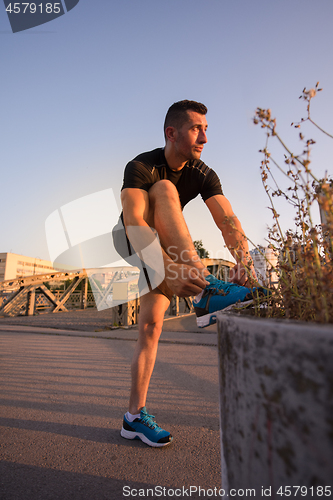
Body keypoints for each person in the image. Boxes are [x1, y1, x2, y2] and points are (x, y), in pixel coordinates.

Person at [113, 100, 260, 447]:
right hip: (131, 239)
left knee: (150, 325)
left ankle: (133, 418)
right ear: (172, 132)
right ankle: (204, 289)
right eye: (197, 129)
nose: (205, 138)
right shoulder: (141, 166)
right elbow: (134, 222)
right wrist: (171, 268)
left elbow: (228, 221)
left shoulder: (204, 172)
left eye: (206, 129)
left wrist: (246, 266)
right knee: (165, 190)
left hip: (167, 245)